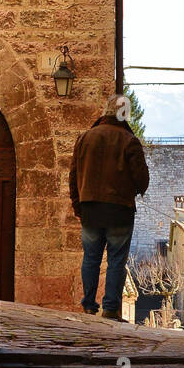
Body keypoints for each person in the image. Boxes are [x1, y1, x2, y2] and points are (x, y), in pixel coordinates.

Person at [69, 92, 149, 320]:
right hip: (119, 210)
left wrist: (78, 205)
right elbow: (142, 180)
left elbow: (73, 176)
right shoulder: (129, 140)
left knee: (91, 257)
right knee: (116, 260)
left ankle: (88, 305)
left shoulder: (85, 138)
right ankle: (111, 309)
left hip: (90, 209)